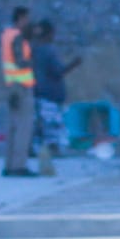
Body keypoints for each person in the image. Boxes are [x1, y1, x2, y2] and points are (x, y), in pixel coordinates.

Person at [28, 20, 79, 178]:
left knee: (41, 126)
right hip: (50, 94)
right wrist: (74, 64)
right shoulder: (49, 51)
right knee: (52, 126)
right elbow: (58, 71)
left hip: (37, 92)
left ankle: (37, 151)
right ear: (50, 34)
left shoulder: (33, 49)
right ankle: (50, 153)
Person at [0, 6, 36, 177]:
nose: (28, 22)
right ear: (20, 18)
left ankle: (10, 165)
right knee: (23, 128)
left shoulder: (6, 35)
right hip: (22, 86)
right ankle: (19, 166)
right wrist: (33, 63)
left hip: (10, 84)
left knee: (13, 127)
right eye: (26, 19)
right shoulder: (18, 37)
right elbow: (21, 61)